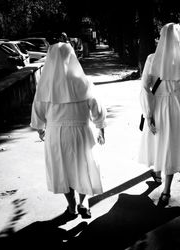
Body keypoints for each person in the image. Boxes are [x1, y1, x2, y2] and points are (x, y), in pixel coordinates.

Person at [30, 34, 106, 219]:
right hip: (81, 132)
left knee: (63, 169)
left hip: (56, 134)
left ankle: (71, 206)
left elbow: (38, 111)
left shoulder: (44, 85)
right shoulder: (83, 81)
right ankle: (82, 203)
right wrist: (100, 127)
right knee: (82, 168)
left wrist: (41, 128)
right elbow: (97, 107)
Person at [138, 23, 180, 206]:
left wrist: (148, 113)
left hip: (160, 104)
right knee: (173, 144)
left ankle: (160, 178)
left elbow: (145, 88)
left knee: (162, 140)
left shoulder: (152, 59)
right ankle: (166, 190)